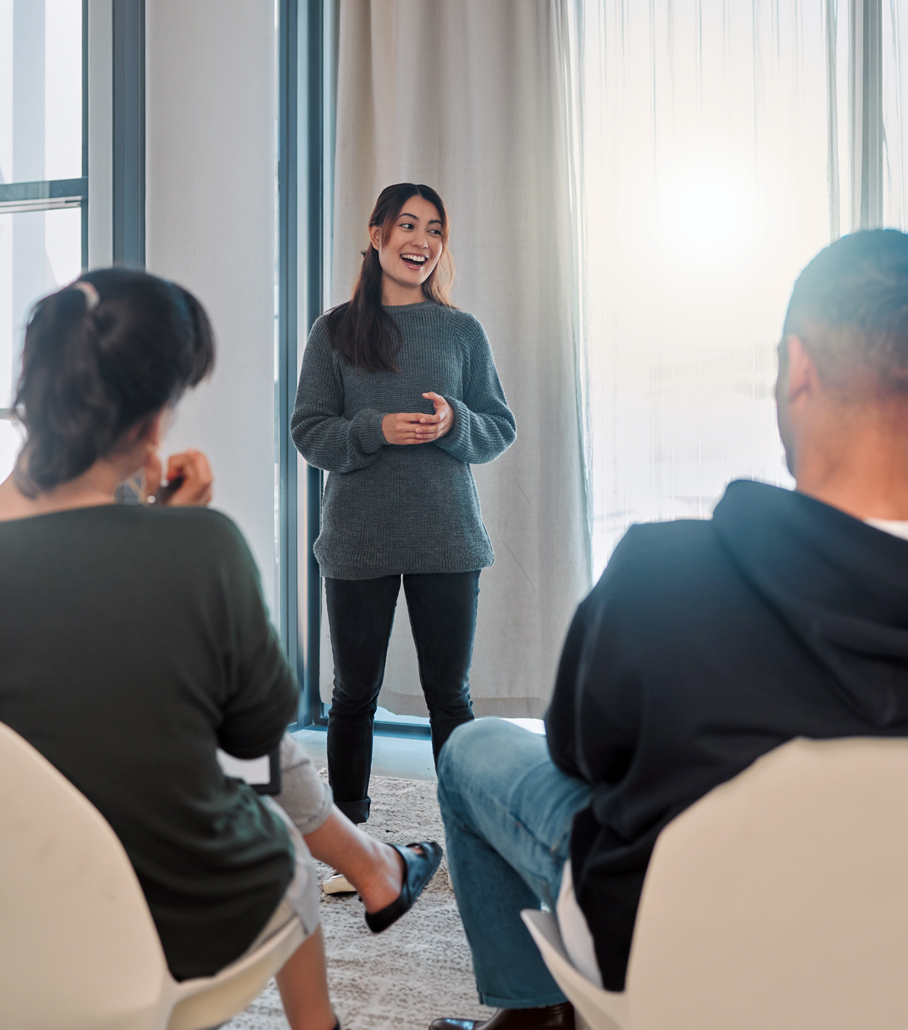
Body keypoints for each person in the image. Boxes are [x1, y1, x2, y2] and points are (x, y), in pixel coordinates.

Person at [430, 228, 908, 1030]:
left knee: (472, 749)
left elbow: (583, 757)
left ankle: (534, 1017)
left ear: (797, 369)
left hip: (657, 953)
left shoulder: (663, 571)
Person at [0, 268, 441, 1030]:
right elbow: (251, 745)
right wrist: (178, 536)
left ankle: (370, 867)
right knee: (273, 828)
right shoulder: (200, 547)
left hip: (17, 923)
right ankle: (323, 1011)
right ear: (153, 423)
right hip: (174, 931)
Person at [291, 183, 516, 833]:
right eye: (409, 225)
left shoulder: (461, 331)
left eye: (435, 229)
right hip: (358, 539)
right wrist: (374, 431)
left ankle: (466, 828)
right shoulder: (333, 332)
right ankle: (349, 830)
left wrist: (455, 421)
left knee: (450, 696)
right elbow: (310, 432)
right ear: (377, 234)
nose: (422, 241)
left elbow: (499, 427)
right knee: (352, 695)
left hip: (446, 538)